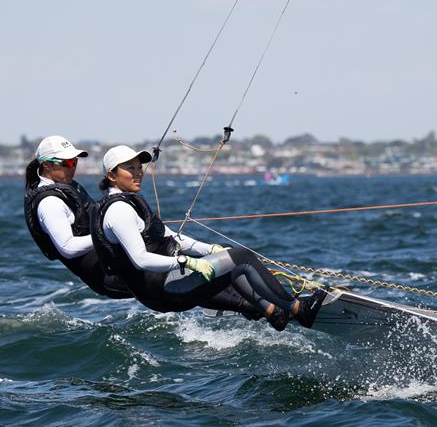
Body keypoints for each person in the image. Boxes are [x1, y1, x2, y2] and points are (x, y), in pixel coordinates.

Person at [90, 145, 326, 330]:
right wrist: (186, 262)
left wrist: (209, 249)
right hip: (162, 290)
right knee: (242, 257)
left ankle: (273, 312)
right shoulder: (118, 211)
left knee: (230, 260)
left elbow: (170, 236)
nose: (138, 172)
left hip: (165, 282)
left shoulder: (130, 202)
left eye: (139, 167)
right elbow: (140, 259)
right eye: (129, 168)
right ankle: (298, 309)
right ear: (111, 175)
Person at [23, 135, 132, 298]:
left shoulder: (68, 187)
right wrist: (108, 232)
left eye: (74, 162)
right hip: (109, 277)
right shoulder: (50, 203)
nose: (72, 167)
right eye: (66, 163)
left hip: (120, 262)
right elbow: (68, 247)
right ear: (46, 165)